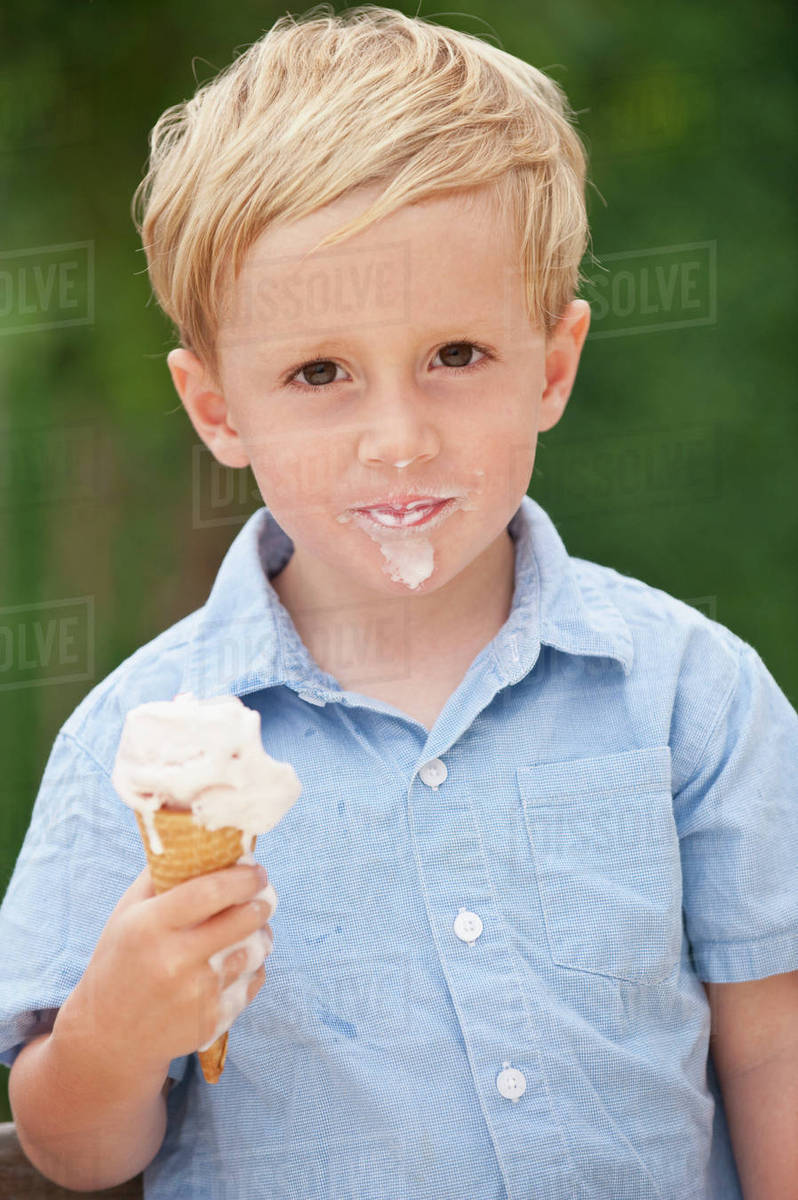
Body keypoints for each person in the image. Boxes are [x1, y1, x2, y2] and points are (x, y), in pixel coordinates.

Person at [1, 7, 796, 1199]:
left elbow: (773, 1047)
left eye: (458, 355)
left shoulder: (693, 693)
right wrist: (114, 1036)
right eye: (319, 373)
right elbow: (69, 1149)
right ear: (218, 410)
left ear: (555, 365)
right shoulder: (138, 746)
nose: (399, 438)